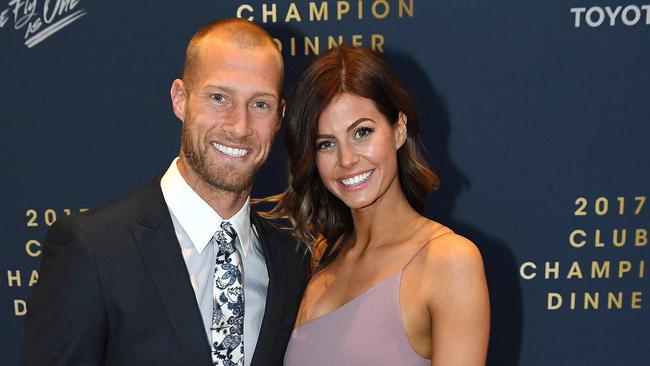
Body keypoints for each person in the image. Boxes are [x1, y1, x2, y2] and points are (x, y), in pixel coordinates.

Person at [21, 18, 308, 366]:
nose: (240, 126)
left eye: (259, 104)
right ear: (180, 99)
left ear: (279, 116)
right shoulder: (93, 250)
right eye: (219, 98)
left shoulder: (292, 260)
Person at [273, 45, 489, 365]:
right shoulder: (319, 255)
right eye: (327, 143)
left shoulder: (449, 261)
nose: (347, 159)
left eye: (362, 132)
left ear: (398, 130)